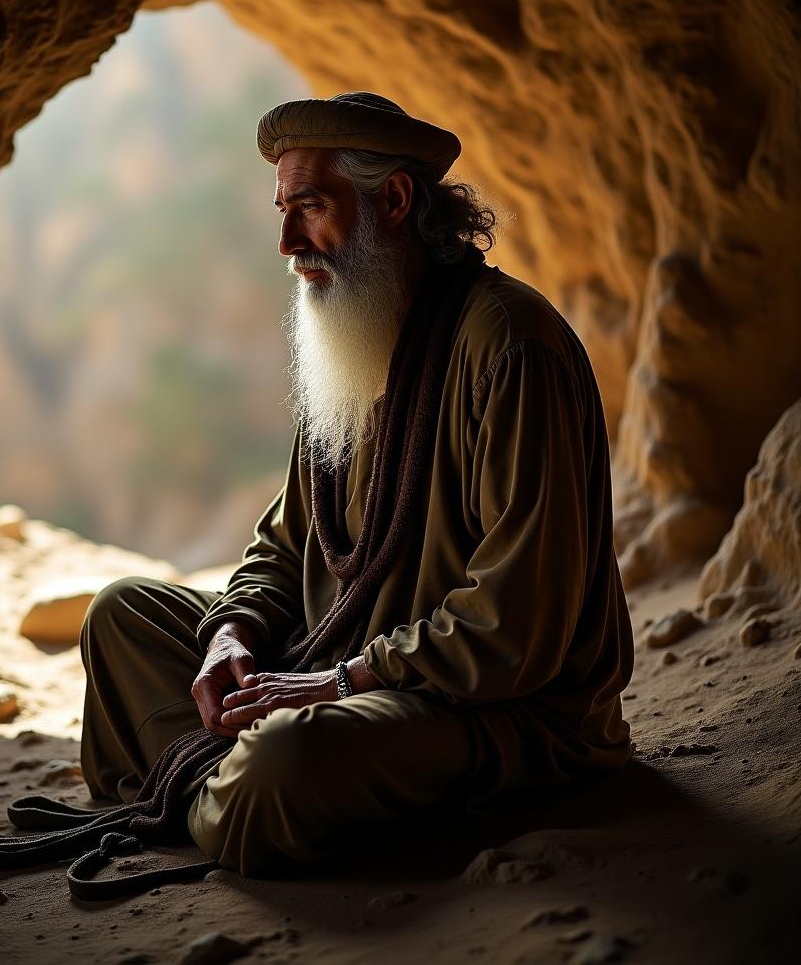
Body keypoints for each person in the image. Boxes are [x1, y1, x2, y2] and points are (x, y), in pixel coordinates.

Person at [78, 91, 635, 878]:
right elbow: (286, 545)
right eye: (281, 209)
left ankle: (210, 786)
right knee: (122, 616)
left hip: (493, 707)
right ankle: (217, 786)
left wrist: (335, 684)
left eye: (309, 206)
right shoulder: (355, 330)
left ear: (396, 200)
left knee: (287, 762)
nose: (284, 240)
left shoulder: (511, 347)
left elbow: (515, 627)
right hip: (339, 656)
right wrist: (231, 637)